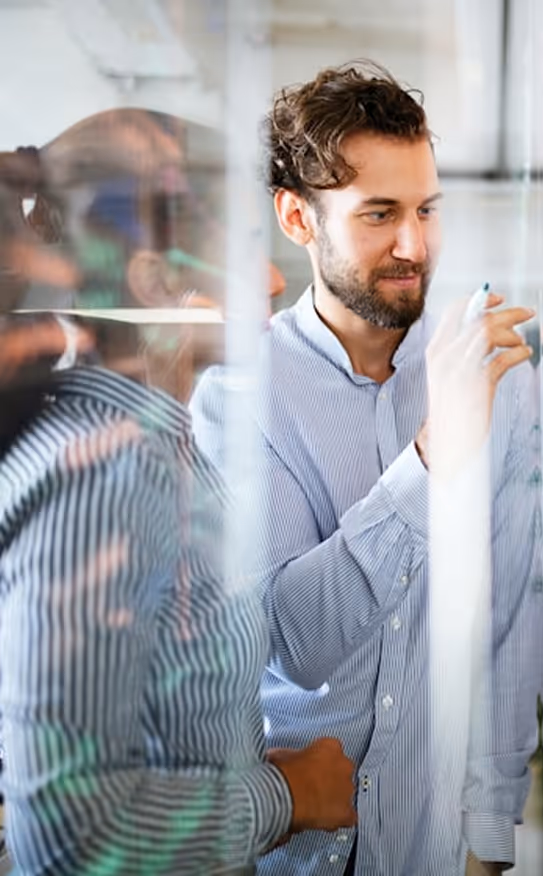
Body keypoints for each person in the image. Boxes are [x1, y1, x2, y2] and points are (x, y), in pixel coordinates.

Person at [189, 62, 541, 875]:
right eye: (379, 214)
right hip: (291, 853)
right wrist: (430, 458)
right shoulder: (236, 399)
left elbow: (508, 624)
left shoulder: (502, 380)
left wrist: (489, 841)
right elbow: (294, 646)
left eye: (426, 209)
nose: (414, 245)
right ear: (296, 218)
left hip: (431, 850)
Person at [0, 110, 355, 875]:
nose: (271, 278)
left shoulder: (165, 451)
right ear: (159, 283)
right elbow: (70, 833)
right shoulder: (105, 478)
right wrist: (286, 795)